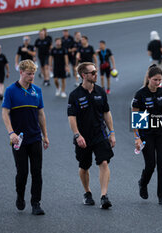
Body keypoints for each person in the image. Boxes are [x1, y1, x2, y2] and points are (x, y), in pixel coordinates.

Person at [1, 59, 49, 215]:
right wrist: (11, 132)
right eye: (29, 74)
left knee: (37, 172)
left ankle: (36, 203)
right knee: (22, 172)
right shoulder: (10, 91)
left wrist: (45, 136)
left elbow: (41, 114)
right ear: (21, 72)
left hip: (35, 137)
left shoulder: (37, 90)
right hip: (18, 140)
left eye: (33, 74)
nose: (32, 77)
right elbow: (5, 113)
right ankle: (20, 196)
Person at [67, 62, 115, 209]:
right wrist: (77, 135)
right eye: (93, 72)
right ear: (84, 75)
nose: (96, 74)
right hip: (83, 137)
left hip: (100, 134)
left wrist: (111, 132)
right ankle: (87, 192)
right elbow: (71, 117)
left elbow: (106, 112)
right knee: (84, 166)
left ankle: (104, 196)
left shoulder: (100, 92)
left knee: (104, 162)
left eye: (96, 71)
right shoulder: (74, 95)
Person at [132, 65, 162, 205]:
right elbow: (135, 117)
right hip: (146, 134)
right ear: (149, 78)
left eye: (160, 80)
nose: (158, 83)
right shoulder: (140, 94)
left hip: (161, 132)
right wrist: (137, 137)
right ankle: (143, 183)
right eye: (155, 80)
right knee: (151, 165)